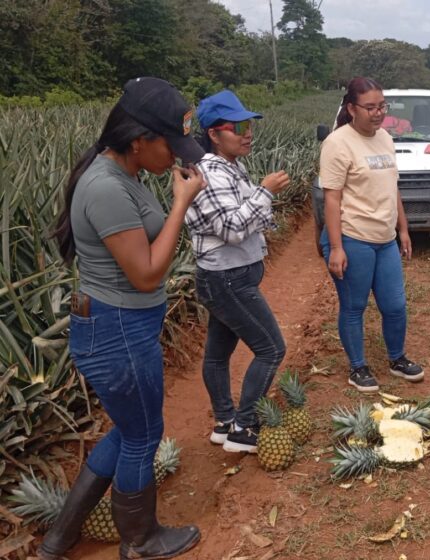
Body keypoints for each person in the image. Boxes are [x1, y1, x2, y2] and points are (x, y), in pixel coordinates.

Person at [46, 77, 207, 560]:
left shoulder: (123, 174)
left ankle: (61, 536)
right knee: (142, 434)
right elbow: (146, 274)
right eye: (169, 146)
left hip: (119, 326)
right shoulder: (107, 188)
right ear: (139, 141)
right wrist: (181, 204)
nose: (176, 158)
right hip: (117, 330)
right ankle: (140, 540)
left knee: (127, 427)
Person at [185, 90, 290, 453]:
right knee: (271, 349)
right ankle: (243, 428)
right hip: (227, 278)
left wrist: (258, 199)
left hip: (229, 275)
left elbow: (249, 220)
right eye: (239, 126)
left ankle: (223, 421)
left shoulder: (232, 166)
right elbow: (232, 228)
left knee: (218, 353)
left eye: (249, 125)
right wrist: (264, 192)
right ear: (214, 134)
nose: (248, 133)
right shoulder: (211, 173)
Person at [319, 77, 424, 393]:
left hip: (384, 240)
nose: (378, 113)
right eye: (370, 107)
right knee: (354, 307)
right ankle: (358, 367)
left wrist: (402, 229)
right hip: (353, 238)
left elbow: (392, 187)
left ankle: (397, 358)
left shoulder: (385, 139)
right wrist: (336, 247)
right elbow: (332, 198)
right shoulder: (338, 143)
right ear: (351, 108)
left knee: (395, 305)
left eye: (382, 106)